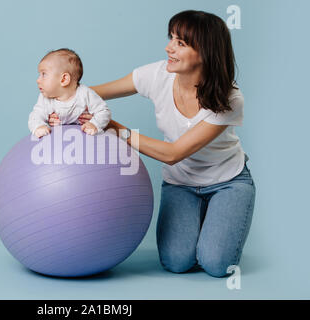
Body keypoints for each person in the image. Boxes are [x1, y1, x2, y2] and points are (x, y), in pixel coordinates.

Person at [48, 10, 256, 278]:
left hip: (227, 182)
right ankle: (202, 220)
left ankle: (217, 214)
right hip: (181, 184)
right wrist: (61, 100)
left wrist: (112, 127)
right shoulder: (157, 74)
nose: (169, 47)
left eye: (181, 43)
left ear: (205, 52)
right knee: (176, 262)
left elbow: (173, 153)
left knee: (216, 265)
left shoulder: (229, 98)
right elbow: (91, 94)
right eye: (171, 38)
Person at [28, 48, 111, 138]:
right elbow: (35, 116)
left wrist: (94, 124)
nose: (38, 80)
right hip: (57, 142)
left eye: (44, 74)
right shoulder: (45, 98)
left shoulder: (85, 94)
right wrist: (39, 126)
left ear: (64, 79)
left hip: (85, 141)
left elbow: (103, 111)